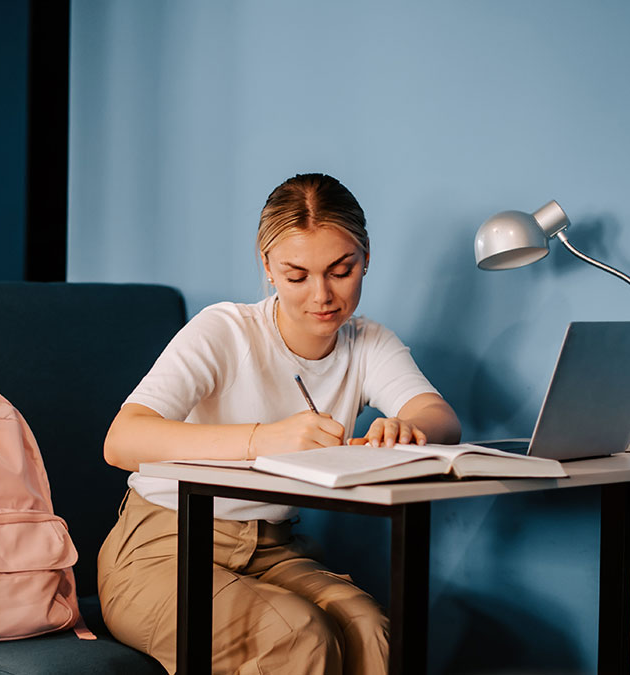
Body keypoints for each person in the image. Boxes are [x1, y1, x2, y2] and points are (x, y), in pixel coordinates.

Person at [97, 173, 461, 674]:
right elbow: (121, 441)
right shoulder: (223, 330)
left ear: (366, 257)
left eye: (341, 270)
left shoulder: (369, 342)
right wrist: (264, 440)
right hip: (165, 546)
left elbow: (439, 417)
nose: (322, 295)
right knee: (299, 636)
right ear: (267, 266)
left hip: (274, 549)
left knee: (371, 630)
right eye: (297, 276)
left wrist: (407, 427)